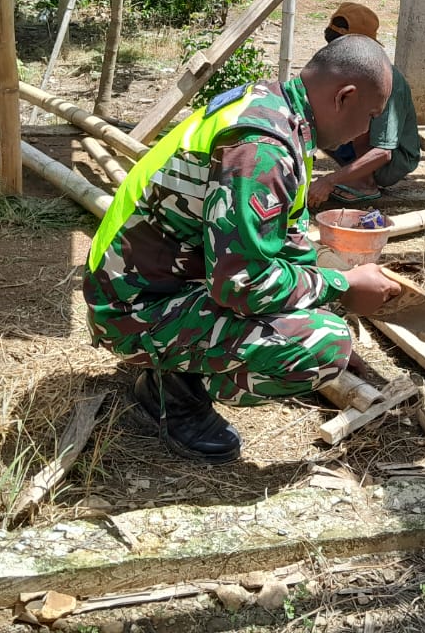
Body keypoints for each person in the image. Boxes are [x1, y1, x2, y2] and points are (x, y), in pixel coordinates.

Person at [83, 34, 403, 463]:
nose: (367, 130)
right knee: (323, 346)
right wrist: (341, 286)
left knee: (321, 326)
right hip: (129, 310)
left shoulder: (274, 110)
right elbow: (242, 285)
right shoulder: (263, 149)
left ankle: (174, 366)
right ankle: (174, 396)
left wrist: (321, 303)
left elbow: (285, 246)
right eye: (371, 115)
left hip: (147, 285)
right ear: (344, 97)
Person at [308, 3, 421, 207]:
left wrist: (329, 181)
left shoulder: (385, 80)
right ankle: (355, 173)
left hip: (392, 160)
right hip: (354, 149)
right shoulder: (341, 66)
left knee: (359, 113)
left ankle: (365, 184)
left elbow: (384, 152)